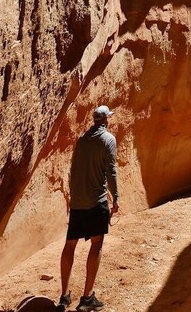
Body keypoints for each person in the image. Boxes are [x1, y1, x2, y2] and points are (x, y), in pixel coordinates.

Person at [57, 105, 119, 312]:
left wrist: (74, 198)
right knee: (97, 244)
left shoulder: (82, 140)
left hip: (78, 202)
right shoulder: (108, 140)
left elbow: (73, 169)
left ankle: (64, 296)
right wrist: (116, 197)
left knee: (70, 244)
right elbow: (111, 170)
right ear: (106, 120)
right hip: (96, 200)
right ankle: (87, 297)